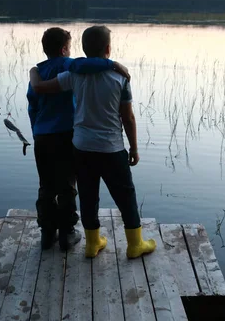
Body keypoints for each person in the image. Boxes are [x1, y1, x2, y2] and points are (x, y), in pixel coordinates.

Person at [30, 25, 156, 259]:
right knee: (125, 195)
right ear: (108, 48)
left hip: (81, 147)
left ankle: (91, 244)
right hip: (112, 148)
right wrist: (134, 148)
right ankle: (135, 244)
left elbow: (43, 88)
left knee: (88, 195)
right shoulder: (120, 77)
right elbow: (127, 117)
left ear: (83, 49)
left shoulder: (74, 75)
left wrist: (34, 74)